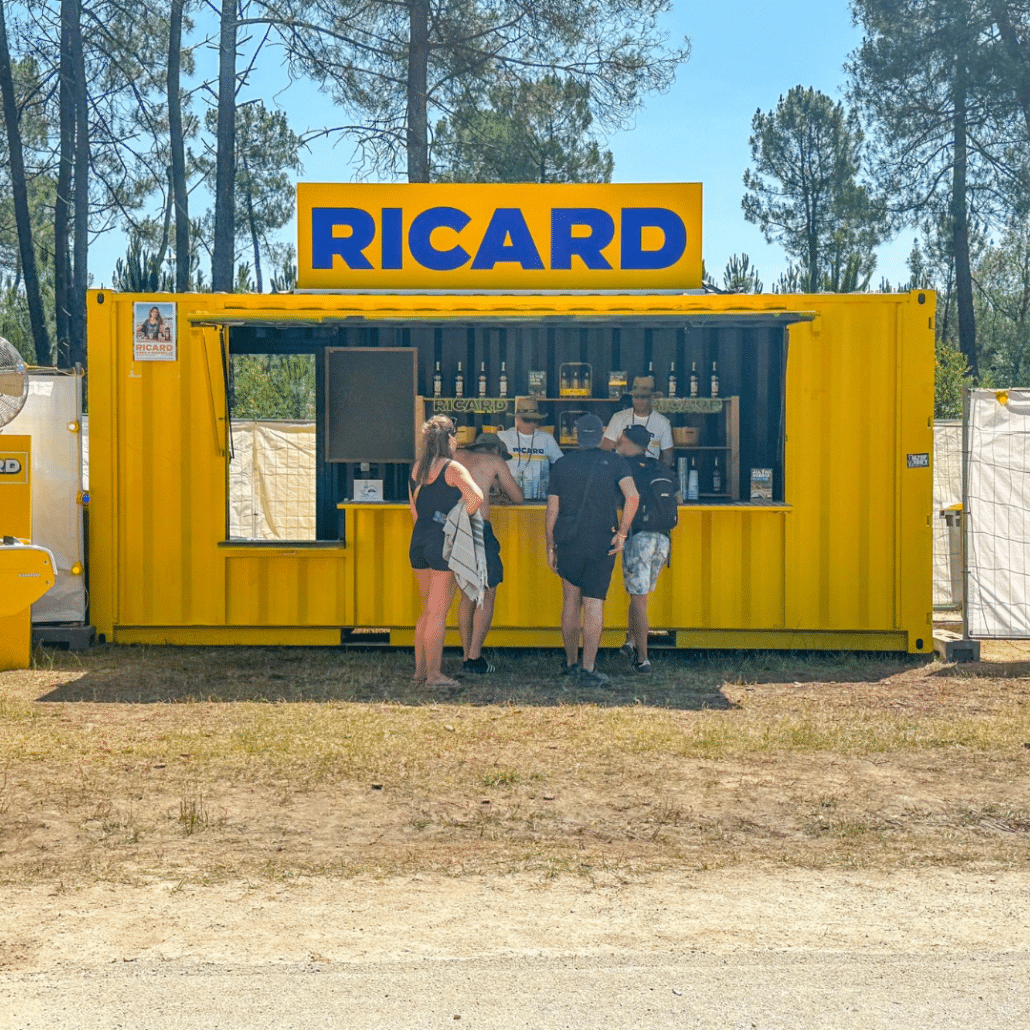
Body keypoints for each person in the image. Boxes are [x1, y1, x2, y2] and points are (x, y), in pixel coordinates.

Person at [545, 413, 638, 686]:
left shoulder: (562, 464)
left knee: (570, 601)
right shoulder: (615, 462)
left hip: (568, 541)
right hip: (601, 540)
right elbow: (633, 496)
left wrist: (550, 545)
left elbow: (552, 510)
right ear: (602, 435)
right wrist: (622, 533)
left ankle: (571, 663)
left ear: (576, 436)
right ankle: (588, 668)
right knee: (594, 603)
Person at [409, 415, 483, 687]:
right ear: (451, 439)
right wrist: (458, 521)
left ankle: (419, 671)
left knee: (427, 611)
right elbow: (476, 498)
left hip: (418, 541)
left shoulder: (417, 468)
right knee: (438, 612)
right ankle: (434, 675)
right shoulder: (453, 468)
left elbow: (414, 512)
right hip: (442, 543)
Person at [452, 432, 524, 673]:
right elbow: (518, 496)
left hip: (454, 528)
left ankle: (465, 654)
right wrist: (499, 493)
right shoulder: (494, 462)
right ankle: (474, 658)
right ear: (495, 450)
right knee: (487, 592)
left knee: (468, 593)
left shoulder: (455, 457)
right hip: (479, 528)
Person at [616, 424, 676, 674]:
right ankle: (630, 642)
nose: (617, 446)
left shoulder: (625, 468)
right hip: (663, 540)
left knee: (639, 600)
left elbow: (621, 501)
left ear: (631, 444)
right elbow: (678, 499)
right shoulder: (661, 467)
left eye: (620, 442)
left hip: (639, 537)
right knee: (639, 595)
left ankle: (643, 659)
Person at [496, 396, 563, 500]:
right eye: (527, 419)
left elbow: (560, 466)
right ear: (517, 418)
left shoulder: (547, 438)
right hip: (508, 499)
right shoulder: (503, 437)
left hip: (540, 498)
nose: (531, 424)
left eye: (535, 420)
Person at [600, 376, 674, 466]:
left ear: (652, 398)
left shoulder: (663, 422)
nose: (639, 401)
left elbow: (668, 458)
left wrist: (659, 472)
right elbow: (605, 450)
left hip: (649, 474)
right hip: (622, 473)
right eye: (636, 397)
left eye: (644, 397)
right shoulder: (618, 418)